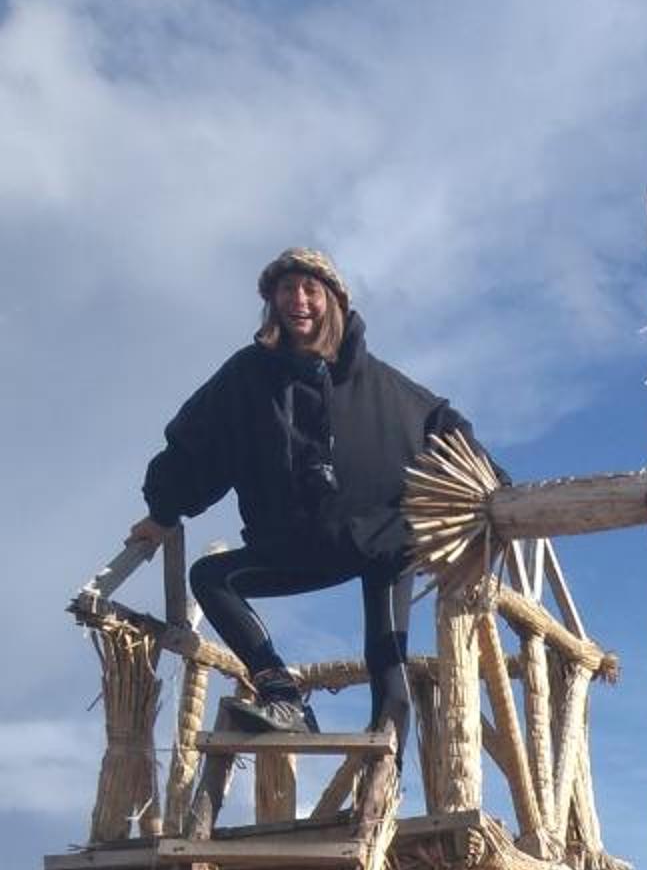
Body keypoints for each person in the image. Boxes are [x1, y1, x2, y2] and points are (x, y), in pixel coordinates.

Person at [129, 248, 487, 743]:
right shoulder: (248, 377)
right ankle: (282, 693)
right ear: (272, 301)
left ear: (333, 300)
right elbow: (198, 442)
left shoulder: (375, 381)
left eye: (310, 289)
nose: (298, 300)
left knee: (387, 661)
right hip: (294, 544)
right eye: (286, 289)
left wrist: (488, 491)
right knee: (211, 578)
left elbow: (443, 425)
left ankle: (382, 781)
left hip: (379, 539)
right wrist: (162, 511)